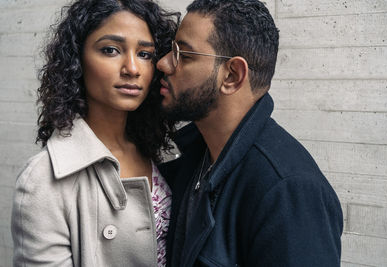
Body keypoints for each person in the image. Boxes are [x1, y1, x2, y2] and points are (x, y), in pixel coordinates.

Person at [156, 0, 343, 266]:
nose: (164, 63)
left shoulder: (288, 192)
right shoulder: (196, 159)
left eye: (184, 55)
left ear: (232, 75)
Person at [11, 0, 178, 266]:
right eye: (111, 50)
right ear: (77, 60)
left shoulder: (159, 150)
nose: (132, 69)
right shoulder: (42, 181)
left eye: (145, 54)